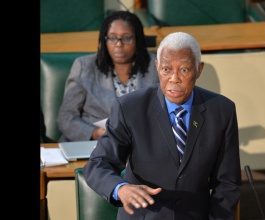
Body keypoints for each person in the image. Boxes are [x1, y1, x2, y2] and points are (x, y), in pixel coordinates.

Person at [83, 32, 242, 220]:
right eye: (166, 69)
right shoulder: (130, 108)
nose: (174, 78)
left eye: (184, 70)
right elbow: (98, 164)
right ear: (157, 67)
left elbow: (227, 184)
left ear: (199, 70)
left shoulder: (222, 110)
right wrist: (121, 189)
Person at [57, 10, 159, 142]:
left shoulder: (156, 66)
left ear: (138, 40)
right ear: (104, 40)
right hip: (94, 145)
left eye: (126, 38)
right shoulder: (84, 66)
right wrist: (95, 133)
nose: (118, 44)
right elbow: (66, 117)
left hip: (142, 144)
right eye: (112, 37)